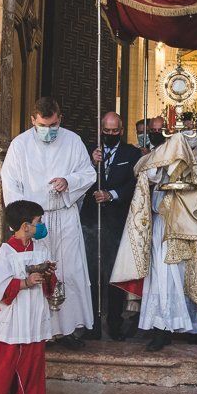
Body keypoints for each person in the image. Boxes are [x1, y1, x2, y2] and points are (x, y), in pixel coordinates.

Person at [111, 132, 197, 351]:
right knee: (163, 277)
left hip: (194, 225)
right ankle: (162, 329)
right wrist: (162, 164)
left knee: (192, 278)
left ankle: (196, 329)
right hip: (163, 224)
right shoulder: (161, 154)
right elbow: (143, 173)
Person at [1, 97, 96, 350]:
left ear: (60, 119)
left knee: (68, 271)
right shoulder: (19, 146)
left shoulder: (73, 141)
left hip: (64, 217)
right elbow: (10, 184)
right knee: (37, 272)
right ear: (33, 120)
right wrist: (23, 223)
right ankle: (41, 330)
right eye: (43, 126)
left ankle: (67, 330)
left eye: (53, 125)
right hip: (34, 222)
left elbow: (88, 173)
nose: (49, 130)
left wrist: (69, 181)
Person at [0, 200, 57, 394]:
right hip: (12, 318)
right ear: (25, 226)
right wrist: (25, 282)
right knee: (4, 364)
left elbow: (49, 286)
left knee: (32, 362)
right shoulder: (4, 254)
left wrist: (49, 275)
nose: (41, 226)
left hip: (34, 315)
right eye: (38, 222)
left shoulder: (41, 250)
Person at [80, 112, 141, 341]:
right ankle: (92, 323)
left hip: (116, 221)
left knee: (114, 274)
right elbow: (77, 178)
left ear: (122, 130)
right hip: (91, 220)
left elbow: (135, 184)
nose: (111, 134)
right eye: (106, 131)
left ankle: (114, 322)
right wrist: (90, 163)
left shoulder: (131, 153)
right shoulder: (89, 152)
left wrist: (111, 194)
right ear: (101, 130)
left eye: (115, 131)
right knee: (92, 273)